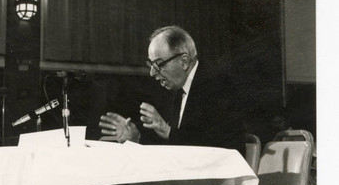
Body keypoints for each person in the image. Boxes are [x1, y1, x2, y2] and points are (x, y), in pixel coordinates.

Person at [99, 25, 246, 154]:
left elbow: (216, 148)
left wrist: (166, 130)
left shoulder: (217, 86)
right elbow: (171, 144)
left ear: (184, 61)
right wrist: (137, 137)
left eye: (158, 65)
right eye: (151, 65)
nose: (152, 73)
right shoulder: (175, 90)